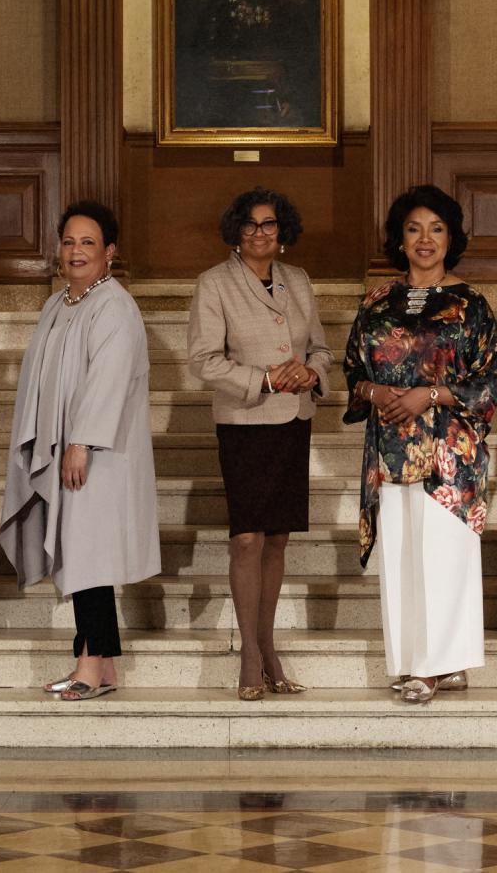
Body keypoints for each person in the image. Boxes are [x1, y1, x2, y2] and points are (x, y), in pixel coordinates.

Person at [344, 185, 497, 704]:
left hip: (449, 450)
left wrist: (429, 395)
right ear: (400, 238)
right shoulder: (375, 301)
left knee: (444, 553)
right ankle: (422, 660)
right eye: (414, 229)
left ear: (451, 237)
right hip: (390, 447)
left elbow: (492, 379)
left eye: (436, 229)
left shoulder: (471, 304)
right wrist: (374, 391)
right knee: (401, 556)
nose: (425, 238)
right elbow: (352, 369)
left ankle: (437, 666)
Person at [0, 201, 161, 701]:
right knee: (82, 555)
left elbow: (106, 381)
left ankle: (90, 666)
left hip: (97, 453)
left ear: (109, 251)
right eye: (69, 241)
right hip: (73, 448)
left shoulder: (114, 305)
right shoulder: (58, 304)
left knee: (89, 559)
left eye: (88, 242)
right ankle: (99, 665)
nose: (76, 251)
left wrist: (78, 442)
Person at [188, 188, 332, 700]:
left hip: (293, 419)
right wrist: (266, 379)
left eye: (269, 225)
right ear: (236, 230)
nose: (259, 234)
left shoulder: (299, 281)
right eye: (249, 225)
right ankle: (249, 651)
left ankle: (270, 648)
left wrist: (309, 372)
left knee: (276, 540)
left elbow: (320, 349)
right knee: (246, 538)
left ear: (282, 231)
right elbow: (204, 360)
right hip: (245, 422)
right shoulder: (214, 283)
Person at [183, 0, 316, 128]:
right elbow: (195, 53)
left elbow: (303, 55)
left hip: (266, 101)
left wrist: (292, 97)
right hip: (218, 101)